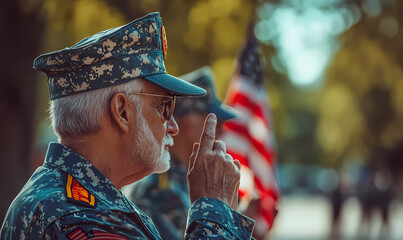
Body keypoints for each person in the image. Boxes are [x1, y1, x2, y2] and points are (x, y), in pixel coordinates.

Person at [0, 12, 254, 239]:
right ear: (122, 111)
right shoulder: (76, 216)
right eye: (165, 106)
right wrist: (214, 211)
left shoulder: (87, 203)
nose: (173, 126)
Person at [124, 66, 238, 239]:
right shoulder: (160, 192)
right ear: (184, 118)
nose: (221, 127)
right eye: (211, 115)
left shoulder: (187, 180)